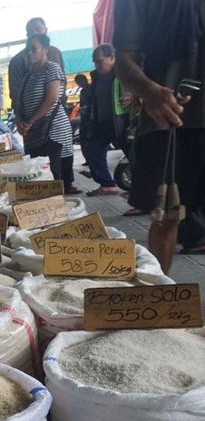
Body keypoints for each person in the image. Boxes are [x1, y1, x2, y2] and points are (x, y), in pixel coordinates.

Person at [114, 0, 205, 255]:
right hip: (168, 119)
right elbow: (123, 60)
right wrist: (149, 90)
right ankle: (159, 291)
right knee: (166, 215)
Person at [14, 34, 81, 194]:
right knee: (39, 177)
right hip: (34, 134)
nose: (30, 53)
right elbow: (19, 103)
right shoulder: (28, 77)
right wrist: (20, 121)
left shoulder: (52, 69)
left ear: (45, 49)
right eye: (28, 50)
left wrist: (30, 121)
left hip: (53, 132)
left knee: (55, 178)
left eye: (34, 49)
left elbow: (51, 99)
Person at [85, 44, 133, 196]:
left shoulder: (124, 72)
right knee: (92, 151)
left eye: (99, 60)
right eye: (94, 61)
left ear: (112, 57)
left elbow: (139, 87)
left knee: (134, 156)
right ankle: (107, 184)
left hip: (121, 121)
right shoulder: (96, 77)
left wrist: (132, 94)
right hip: (101, 122)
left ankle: (143, 191)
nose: (97, 64)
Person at [8, 17, 66, 110]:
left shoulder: (56, 53)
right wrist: (21, 117)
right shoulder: (17, 61)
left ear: (46, 30)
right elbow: (15, 93)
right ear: (27, 35)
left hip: (57, 113)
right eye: (31, 32)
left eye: (38, 29)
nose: (35, 33)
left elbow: (62, 83)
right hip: (30, 116)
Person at [75, 73, 93, 165]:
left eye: (80, 81)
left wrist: (87, 107)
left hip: (92, 118)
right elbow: (82, 104)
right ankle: (88, 159)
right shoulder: (82, 92)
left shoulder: (91, 89)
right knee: (83, 139)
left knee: (90, 140)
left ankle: (92, 159)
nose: (79, 84)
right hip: (84, 118)